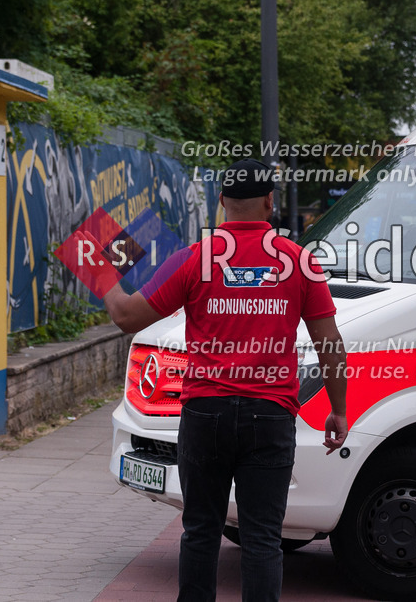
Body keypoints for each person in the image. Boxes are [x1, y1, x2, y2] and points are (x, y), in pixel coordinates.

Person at [95, 158, 347, 602]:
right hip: (270, 417)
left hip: (205, 413)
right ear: (270, 203)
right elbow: (330, 343)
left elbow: (126, 316)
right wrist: (339, 409)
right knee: (263, 538)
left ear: (222, 203)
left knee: (200, 531)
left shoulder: (192, 260)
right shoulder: (300, 262)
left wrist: (101, 266)